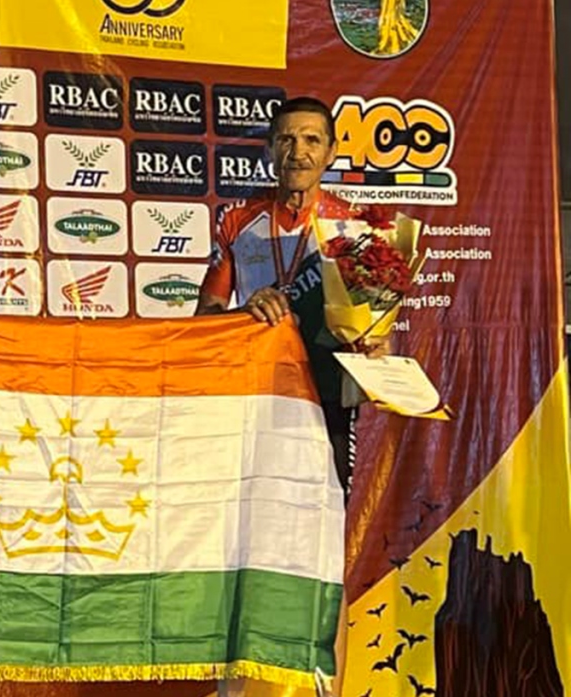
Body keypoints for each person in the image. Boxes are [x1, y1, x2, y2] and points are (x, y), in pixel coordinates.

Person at [197, 96, 390, 697]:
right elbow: (205, 315)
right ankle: (236, 685)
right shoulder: (237, 221)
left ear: (331, 152)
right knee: (242, 544)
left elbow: (376, 328)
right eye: (286, 139)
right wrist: (245, 311)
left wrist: (375, 341)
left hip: (327, 406)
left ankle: (328, 686)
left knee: (325, 549)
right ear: (268, 150)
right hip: (256, 407)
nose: (297, 151)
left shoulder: (357, 228)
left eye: (311, 140)